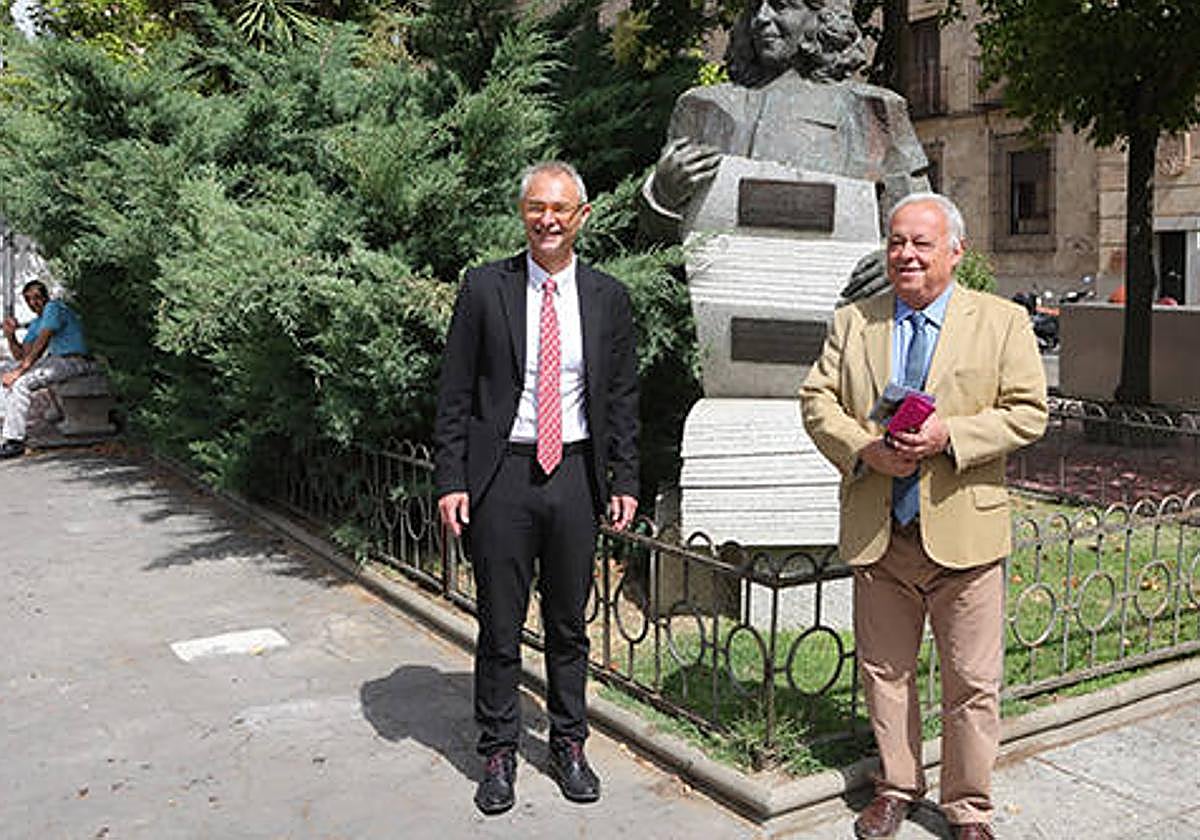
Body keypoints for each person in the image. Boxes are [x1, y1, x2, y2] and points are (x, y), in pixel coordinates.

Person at [800, 193, 1048, 840]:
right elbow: (817, 400)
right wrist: (865, 451)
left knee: (972, 681)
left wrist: (951, 437)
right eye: (896, 242)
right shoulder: (854, 321)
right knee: (886, 672)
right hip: (881, 530)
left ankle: (968, 808)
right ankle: (896, 787)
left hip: (964, 531)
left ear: (956, 252)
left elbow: (1028, 411)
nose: (905, 255)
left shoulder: (1001, 322)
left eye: (921, 244)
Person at [433, 161, 640, 816]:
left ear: (582, 216)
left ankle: (568, 742)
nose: (547, 219)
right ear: (522, 213)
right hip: (504, 478)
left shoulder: (608, 298)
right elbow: (455, 392)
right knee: (499, 623)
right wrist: (451, 478)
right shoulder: (484, 288)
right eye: (535, 207)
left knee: (568, 622)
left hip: (575, 475)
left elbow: (622, 399)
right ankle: (497, 750)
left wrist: (625, 477)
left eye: (560, 208)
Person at [640, 0, 929, 262]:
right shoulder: (703, 108)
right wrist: (662, 197)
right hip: (727, 288)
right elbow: (659, 251)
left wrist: (892, 261)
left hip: (842, 303)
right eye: (755, 7)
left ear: (821, 18)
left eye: (781, 5)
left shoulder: (872, 110)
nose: (762, 18)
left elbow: (924, 224)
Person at [1, 280, 95, 458]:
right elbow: (22, 355)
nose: (33, 303)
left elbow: (41, 345)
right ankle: (10, 424)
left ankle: (14, 442)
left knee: (21, 382)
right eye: (28, 299)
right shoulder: (37, 322)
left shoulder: (54, 308)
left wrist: (18, 372)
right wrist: (10, 337)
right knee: (6, 370)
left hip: (74, 361)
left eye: (37, 297)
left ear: (45, 297)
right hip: (57, 361)